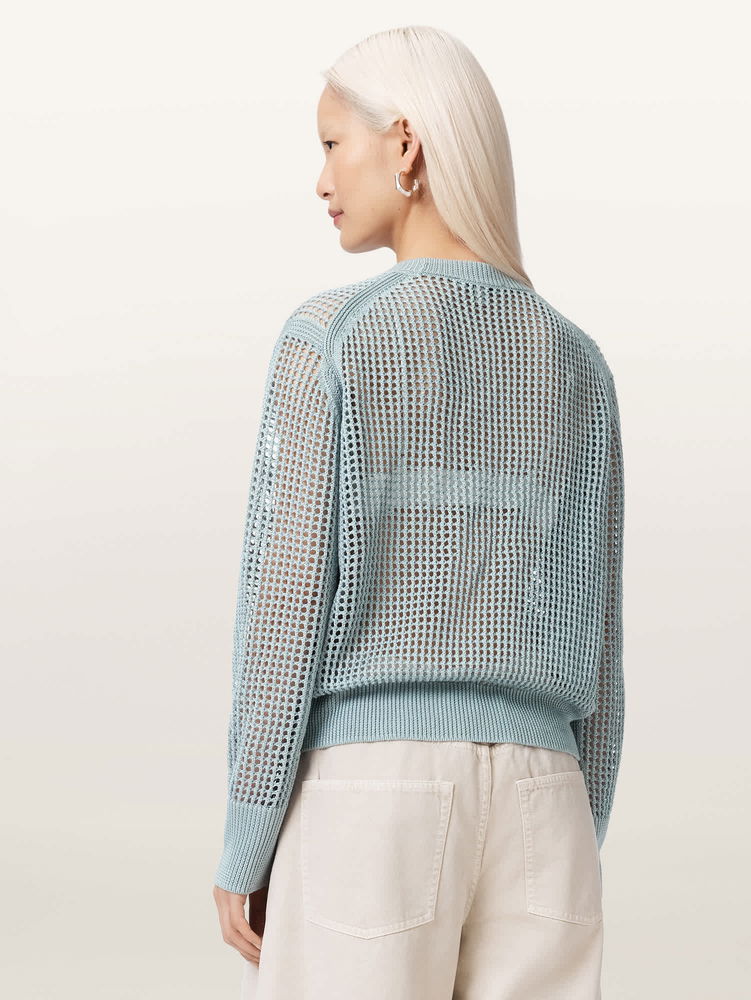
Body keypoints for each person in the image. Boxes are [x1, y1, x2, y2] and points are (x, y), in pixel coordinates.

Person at [212, 24, 625, 1000]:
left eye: (330, 144)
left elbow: (284, 615)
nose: (320, 179)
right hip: (546, 795)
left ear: (404, 144)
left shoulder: (332, 339)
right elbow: (600, 644)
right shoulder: (577, 365)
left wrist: (247, 835)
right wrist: (572, 823)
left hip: (372, 796)